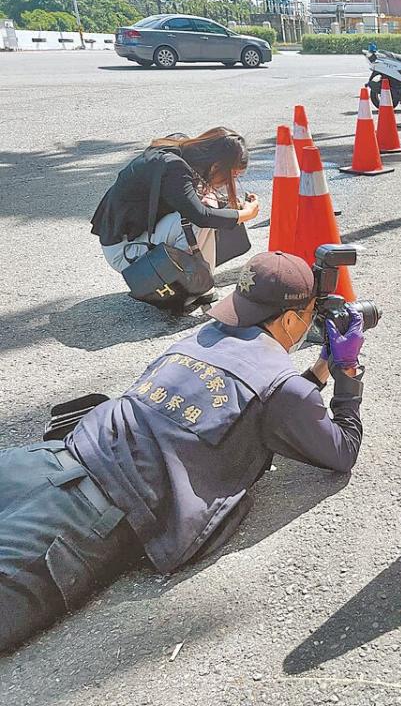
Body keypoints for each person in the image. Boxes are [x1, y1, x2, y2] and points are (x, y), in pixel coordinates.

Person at [0, 252, 365, 652]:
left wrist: (318, 372)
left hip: (43, 462)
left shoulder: (199, 339)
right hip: (88, 517)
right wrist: (347, 374)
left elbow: (258, 399)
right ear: (291, 319)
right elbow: (341, 451)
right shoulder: (281, 388)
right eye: (310, 315)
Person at [91, 128, 262, 285]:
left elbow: (189, 197)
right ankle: (185, 282)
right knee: (195, 221)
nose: (230, 182)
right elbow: (201, 216)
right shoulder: (174, 167)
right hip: (124, 252)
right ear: (216, 165)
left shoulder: (180, 148)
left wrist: (232, 206)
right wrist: (246, 213)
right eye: (232, 175)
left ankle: (198, 278)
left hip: (134, 238)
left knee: (208, 207)